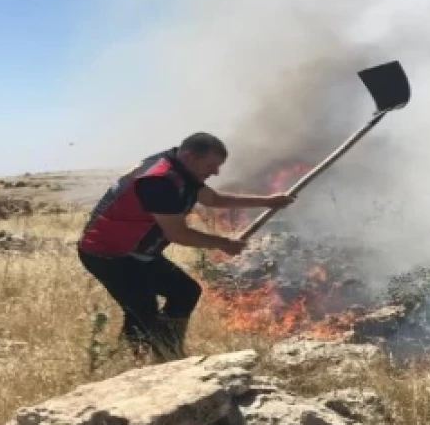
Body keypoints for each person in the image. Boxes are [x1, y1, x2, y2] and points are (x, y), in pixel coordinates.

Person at [77, 132, 295, 362]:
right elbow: (178, 233)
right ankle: (131, 363)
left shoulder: (181, 169)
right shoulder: (158, 181)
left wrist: (267, 201)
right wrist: (224, 244)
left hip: (140, 254)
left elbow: (214, 200)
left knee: (185, 292)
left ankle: (168, 350)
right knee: (142, 310)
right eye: (211, 165)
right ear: (190, 156)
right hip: (108, 254)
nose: (216, 172)